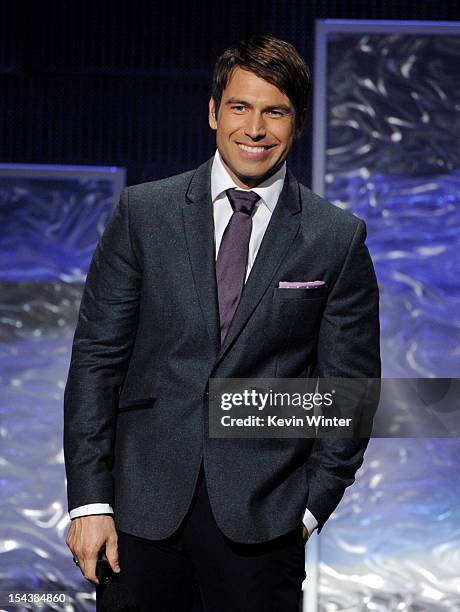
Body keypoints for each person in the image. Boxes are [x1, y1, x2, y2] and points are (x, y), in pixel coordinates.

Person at [64, 35, 380, 611]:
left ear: (297, 122)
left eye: (274, 111)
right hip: (137, 515)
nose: (254, 128)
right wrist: (89, 503)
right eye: (240, 107)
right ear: (213, 112)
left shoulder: (336, 237)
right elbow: (96, 361)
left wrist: (308, 509)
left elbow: (350, 392)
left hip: (264, 522)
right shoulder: (144, 213)